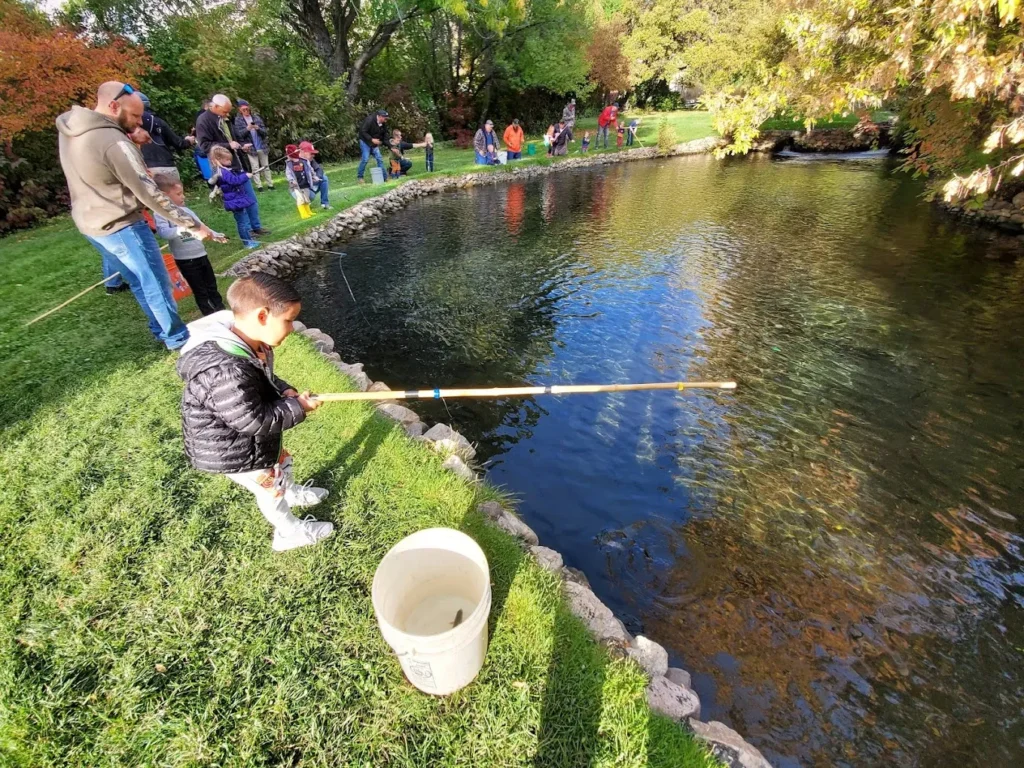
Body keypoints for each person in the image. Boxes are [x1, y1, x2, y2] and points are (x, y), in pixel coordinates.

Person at [176, 273, 334, 553]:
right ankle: (288, 532)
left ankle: (292, 491)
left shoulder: (250, 342)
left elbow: (262, 379)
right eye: (288, 320)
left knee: (281, 462)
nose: (293, 327)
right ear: (262, 316)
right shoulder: (226, 370)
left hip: (251, 442)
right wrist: (300, 408)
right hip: (231, 448)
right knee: (269, 489)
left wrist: (284, 391)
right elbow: (253, 420)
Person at [56, 81, 216, 350]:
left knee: (139, 280)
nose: (140, 122)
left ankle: (160, 328)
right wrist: (193, 224)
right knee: (155, 281)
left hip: (91, 223)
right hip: (122, 223)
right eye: (135, 116)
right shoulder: (114, 142)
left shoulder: (72, 129)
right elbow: (150, 194)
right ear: (113, 105)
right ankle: (178, 339)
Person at [152, 174, 228, 316]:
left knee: (211, 285)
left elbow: (202, 227)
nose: (183, 197)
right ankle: (210, 315)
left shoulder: (187, 211)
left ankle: (221, 311)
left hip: (201, 255)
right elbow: (165, 234)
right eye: (178, 194)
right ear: (164, 195)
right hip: (186, 260)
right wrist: (184, 229)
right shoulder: (161, 214)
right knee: (200, 290)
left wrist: (215, 235)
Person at [197, 95, 270, 236]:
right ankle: (248, 230)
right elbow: (204, 146)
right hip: (224, 168)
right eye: (225, 111)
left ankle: (256, 227)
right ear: (215, 106)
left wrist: (242, 146)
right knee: (239, 201)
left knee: (250, 198)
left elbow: (236, 137)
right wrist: (228, 145)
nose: (227, 114)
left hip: (237, 162)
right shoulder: (203, 121)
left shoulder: (225, 119)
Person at [209, 146, 263, 249]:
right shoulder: (223, 172)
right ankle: (247, 243)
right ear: (219, 160)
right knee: (243, 222)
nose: (230, 161)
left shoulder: (224, 170)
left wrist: (244, 175)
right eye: (227, 159)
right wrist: (245, 176)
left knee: (244, 220)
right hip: (235, 201)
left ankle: (249, 240)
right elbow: (234, 181)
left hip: (237, 199)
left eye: (230, 159)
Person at [136, 93, 195, 181]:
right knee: (175, 194)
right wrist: (188, 141)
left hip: (145, 169)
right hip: (166, 166)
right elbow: (178, 143)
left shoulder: (126, 126)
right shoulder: (158, 122)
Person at [234, 99, 274, 191]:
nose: (246, 111)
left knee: (266, 167)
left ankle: (270, 185)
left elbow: (265, 132)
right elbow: (239, 135)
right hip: (251, 148)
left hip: (262, 147)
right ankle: (259, 186)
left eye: (247, 109)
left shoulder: (256, 118)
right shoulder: (238, 120)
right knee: (255, 167)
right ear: (240, 109)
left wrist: (258, 128)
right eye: (243, 109)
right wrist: (247, 129)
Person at [286, 140, 331, 209]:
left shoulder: (310, 160)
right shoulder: (294, 162)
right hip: (299, 189)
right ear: (303, 152)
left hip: (309, 187)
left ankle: (325, 204)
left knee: (324, 178)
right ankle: (303, 204)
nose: (313, 155)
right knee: (308, 197)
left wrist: (316, 177)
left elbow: (319, 169)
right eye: (311, 153)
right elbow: (292, 177)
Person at [357, 109, 389, 183]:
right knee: (365, 159)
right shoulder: (369, 120)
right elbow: (363, 131)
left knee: (379, 159)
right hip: (365, 141)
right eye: (385, 118)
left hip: (374, 142)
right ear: (380, 117)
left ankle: (385, 177)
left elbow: (384, 134)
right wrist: (371, 139)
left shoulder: (383, 123)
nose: (386, 120)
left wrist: (387, 144)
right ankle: (360, 177)